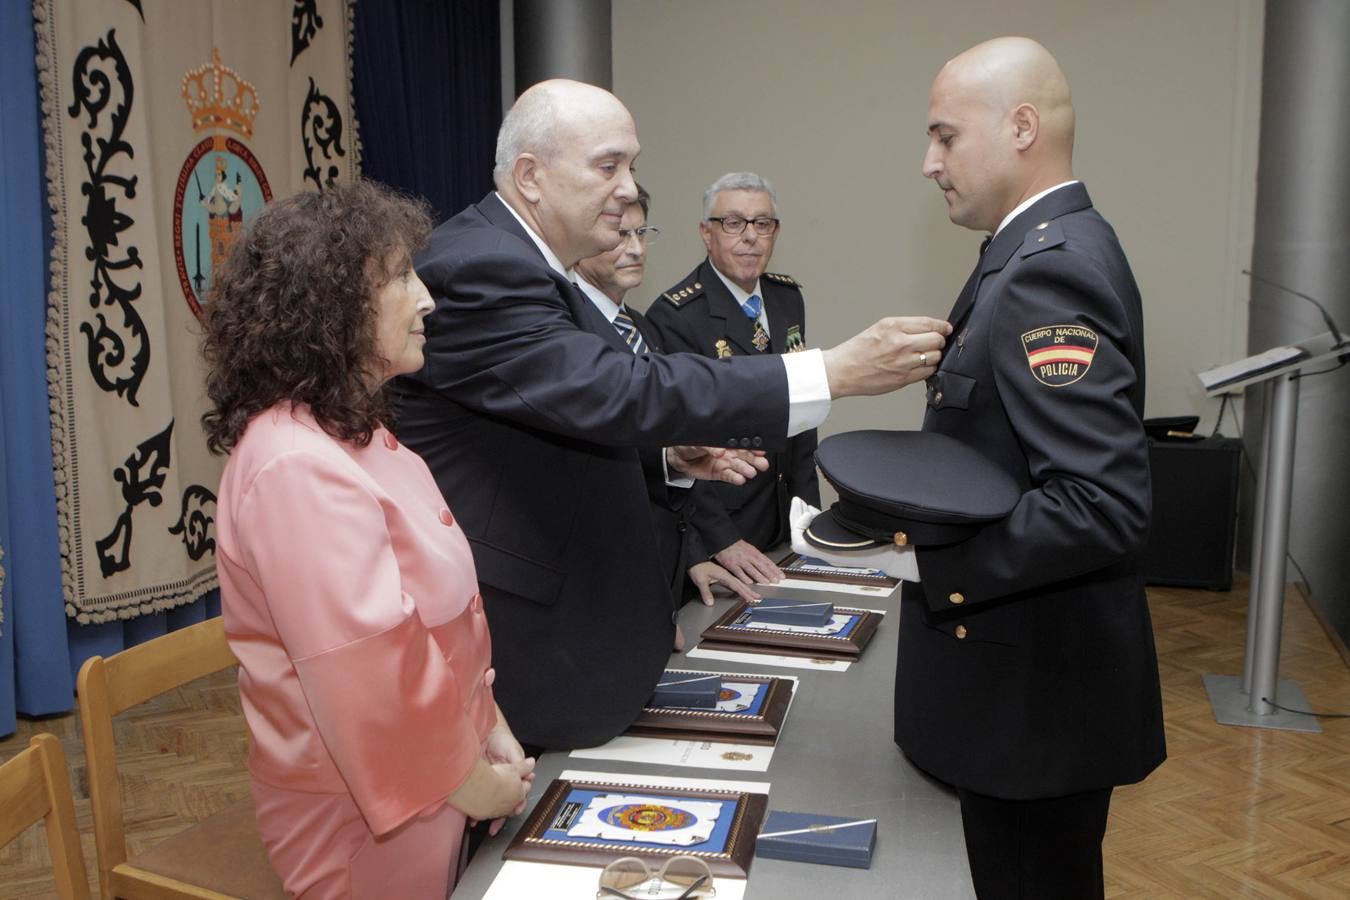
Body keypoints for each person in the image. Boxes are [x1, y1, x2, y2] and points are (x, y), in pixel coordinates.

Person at [391, 78, 950, 752]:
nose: (629, 187)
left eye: (631, 165)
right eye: (608, 166)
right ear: (531, 177)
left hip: (584, 635)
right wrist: (830, 371)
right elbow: (618, 390)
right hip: (527, 644)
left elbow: (565, 416)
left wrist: (668, 456)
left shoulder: (533, 266)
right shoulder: (484, 264)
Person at [204, 182, 534, 899]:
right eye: (399, 278)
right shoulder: (295, 465)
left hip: (426, 784)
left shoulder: (353, 432)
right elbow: (373, 677)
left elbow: (434, 629)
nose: (428, 301)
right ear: (331, 310)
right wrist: (479, 785)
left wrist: (488, 727)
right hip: (363, 818)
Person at [897, 37, 1166, 898]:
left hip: (1034, 705)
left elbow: (1099, 504)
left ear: (1019, 127)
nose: (929, 162)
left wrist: (924, 556)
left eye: (945, 136)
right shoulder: (1034, 249)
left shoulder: (1047, 272)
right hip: (1029, 693)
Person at [574, 184, 761, 612]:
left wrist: (692, 555)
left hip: (663, 570)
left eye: (643, 234)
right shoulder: (572, 332)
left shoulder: (642, 328)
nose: (636, 249)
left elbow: (668, 455)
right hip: (608, 585)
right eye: (622, 235)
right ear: (583, 240)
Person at [646, 172, 820, 586]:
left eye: (763, 224)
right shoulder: (676, 316)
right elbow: (679, 448)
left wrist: (810, 518)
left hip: (782, 520)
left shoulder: (785, 298)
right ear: (707, 233)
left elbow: (802, 413)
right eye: (734, 223)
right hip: (719, 535)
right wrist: (720, 540)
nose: (750, 237)